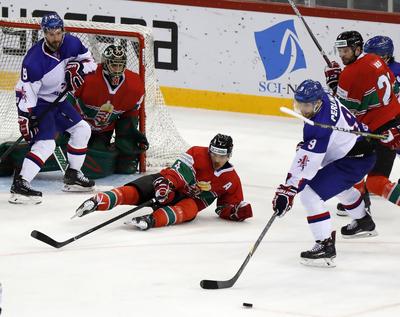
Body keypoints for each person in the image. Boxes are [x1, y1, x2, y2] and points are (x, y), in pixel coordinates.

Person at [272, 79, 377, 267]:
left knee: (310, 196)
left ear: (318, 102)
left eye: (307, 105)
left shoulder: (319, 126)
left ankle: (325, 245)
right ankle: (363, 221)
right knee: (337, 187)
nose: (303, 109)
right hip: (359, 149)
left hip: (354, 160)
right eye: (299, 104)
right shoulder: (325, 98)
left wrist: (287, 191)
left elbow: (306, 169)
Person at [73, 134, 253, 230]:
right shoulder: (197, 153)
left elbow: (224, 208)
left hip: (187, 201)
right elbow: (179, 173)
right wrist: (165, 184)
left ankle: (151, 220)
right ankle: (99, 201)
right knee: (138, 191)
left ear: (229, 154)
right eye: (213, 153)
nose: (216, 158)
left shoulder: (231, 179)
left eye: (221, 155)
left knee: (190, 210)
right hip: (167, 185)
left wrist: (236, 212)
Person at [10, 13, 97, 205]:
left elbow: (91, 62)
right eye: (51, 34)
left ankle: (73, 175)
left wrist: (79, 68)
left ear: (63, 30)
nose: (55, 38)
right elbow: (26, 92)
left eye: (58, 33)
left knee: (82, 129)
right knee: (46, 144)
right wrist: (26, 116)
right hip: (40, 103)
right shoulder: (34, 61)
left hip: (60, 100)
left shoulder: (72, 43)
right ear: (44, 33)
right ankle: (20, 184)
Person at [324, 31, 400, 216]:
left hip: (379, 130)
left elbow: (347, 113)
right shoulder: (378, 61)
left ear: (358, 49)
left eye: (346, 51)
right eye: (340, 51)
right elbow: (392, 88)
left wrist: (335, 84)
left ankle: (357, 203)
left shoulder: (351, 74)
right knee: (375, 181)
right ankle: (359, 203)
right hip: (394, 123)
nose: (342, 55)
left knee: (345, 158)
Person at [70, 44, 148, 174]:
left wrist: (127, 143)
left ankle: (112, 150)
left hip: (102, 132)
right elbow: (68, 100)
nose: (117, 69)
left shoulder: (134, 86)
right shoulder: (88, 76)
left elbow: (129, 117)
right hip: (75, 126)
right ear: (105, 64)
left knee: (95, 160)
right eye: (114, 65)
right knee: (58, 143)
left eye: (120, 65)